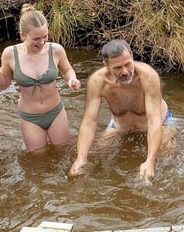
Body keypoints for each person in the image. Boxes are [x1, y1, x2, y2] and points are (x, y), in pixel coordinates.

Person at [70, 39, 175, 181]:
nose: (125, 71)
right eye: (118, 68)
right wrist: (81, 158)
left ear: (132, 57)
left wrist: (150, 160)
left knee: (167, 159)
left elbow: (154, 120)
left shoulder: (148, 76)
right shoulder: (97, 82)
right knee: (97, 156)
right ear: (106, 65)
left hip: (160, 122)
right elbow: (89, 121)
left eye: (128, 64)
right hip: (119, 125)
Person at [0, 4, 82, 152]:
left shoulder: (56, 50)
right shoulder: (10, 54)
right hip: (30, 117)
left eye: (45, 36)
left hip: (55, 112)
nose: (42, 42)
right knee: (37, 160)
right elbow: (3, 84)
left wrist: (72, 79)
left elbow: (67, 70)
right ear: (23, 35)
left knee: (64, 152)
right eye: (36, 39)